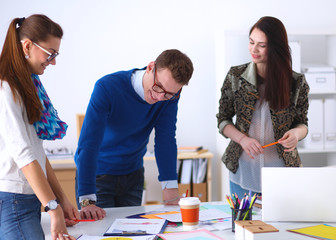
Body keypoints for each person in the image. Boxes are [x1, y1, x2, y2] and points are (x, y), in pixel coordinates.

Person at [75, 49, 194, 220]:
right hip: (97, 177)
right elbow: (89, 143)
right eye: (158, 86)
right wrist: (87, 198)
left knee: (132, 233)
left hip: (133, 176)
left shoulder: (170, 97)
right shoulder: (107, 87)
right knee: (100, 234)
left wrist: (170, 188)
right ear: (151, 67)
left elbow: (165, 139)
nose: (160, 97)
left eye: (168, 94)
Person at [0, 14, 79, 240]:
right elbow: (24, 155)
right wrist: (52, 208)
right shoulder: (6, 89)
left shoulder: (28, 86)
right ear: (27, 46)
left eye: (56, 54)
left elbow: (37, 152)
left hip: (28, 198)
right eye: (50, 53)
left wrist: (61, 200)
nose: (53, 61)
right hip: (13, 199)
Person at [216, 16, 309, 199]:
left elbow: (302, 123)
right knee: (243, 225)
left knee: (280, 227)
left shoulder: (296, 82)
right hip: (242, 170)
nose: (254, 49)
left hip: (281, 172)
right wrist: (243, 139)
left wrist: (296, 135)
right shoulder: (236, 76)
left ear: (275, 47)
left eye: (262, 45)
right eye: (251, 42)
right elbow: (223, 120)